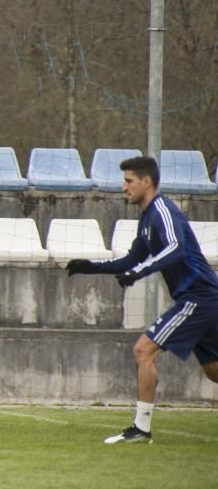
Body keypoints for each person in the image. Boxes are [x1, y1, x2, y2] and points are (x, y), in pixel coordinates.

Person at [66, 156, 218, 443]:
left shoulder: (163, 211)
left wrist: (137, 272)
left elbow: (176, 248)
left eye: (128, 181)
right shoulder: (147, 217)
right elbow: (133, 258)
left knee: (143, 351)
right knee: (214, 371)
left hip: (199, 297)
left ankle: (141, 429)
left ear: (146, 182)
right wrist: (91, 267)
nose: (124, 187)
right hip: (201, 299)